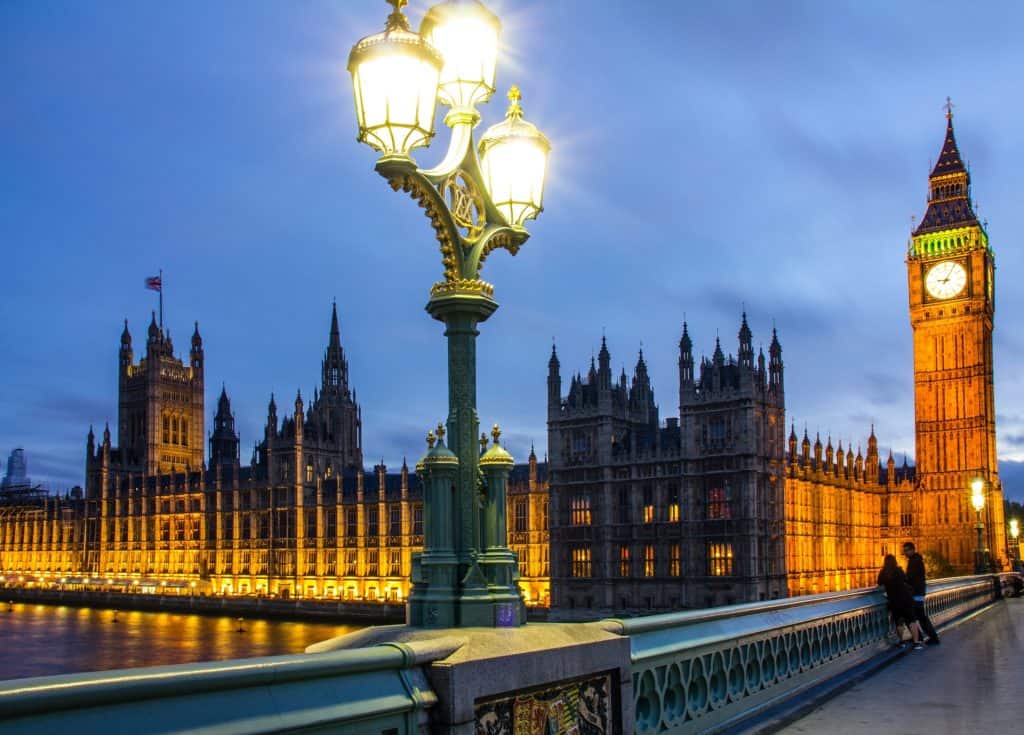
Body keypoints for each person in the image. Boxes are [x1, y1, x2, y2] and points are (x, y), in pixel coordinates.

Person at [877, 554, 923, 650]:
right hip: (906, 598)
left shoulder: (883, 572)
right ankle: (917, 643)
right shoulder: (899, 570)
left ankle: (901, 642)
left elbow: (879, 583)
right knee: (912, 620)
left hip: (895, 600)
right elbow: (906, 580)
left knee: (899, 622)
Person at [903, 542, 940, 645]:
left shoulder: (915, 561)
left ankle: (930, 637)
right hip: (918, 592)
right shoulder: (915, 560)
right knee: (916, 616)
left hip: (916, 593)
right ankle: (919, 636)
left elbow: (912, 578)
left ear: (912, 550)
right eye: (904, 550)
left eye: (906, 550)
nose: (905, 553)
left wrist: (904, 581)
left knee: (915, 616)